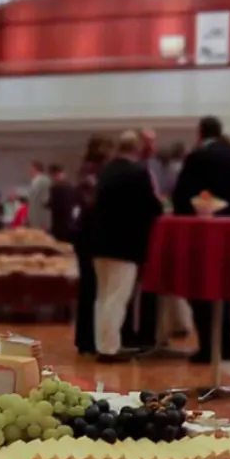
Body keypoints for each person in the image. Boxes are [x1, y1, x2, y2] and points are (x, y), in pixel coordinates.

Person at [171, 116, 230, 363]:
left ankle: (208, 346)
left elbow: (182, 196)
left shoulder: (197, 157)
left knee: (201, 288)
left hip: (203, 233)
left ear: (200, 132)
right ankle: (227, 343)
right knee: (227, 289)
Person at [86, 131, 164, 362]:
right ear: (137, 149)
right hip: (125, 244)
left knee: (102, 297)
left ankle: (103, 344)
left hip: (99, 242)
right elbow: (152, 207)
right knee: (117, 298)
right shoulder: (139, 172)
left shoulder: (106, 171)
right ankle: (110, 349)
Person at [74, 137, 114, 355]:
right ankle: (88, 339)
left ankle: (87, 339)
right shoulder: (93, 172)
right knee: (92, 288)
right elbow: (91, 202)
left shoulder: (89, 171)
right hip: (90, 233)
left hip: (87, 233)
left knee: (90, 288)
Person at [48, 163, 77, 243]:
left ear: (53, 175)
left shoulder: (55, 189)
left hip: (59, 225)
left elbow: (52, 206)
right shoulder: (71, 187)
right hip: (70, 223)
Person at [26, 160, 52, 232]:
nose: (29, 170)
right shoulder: (34, 181)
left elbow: (45, 201)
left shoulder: (44, 181)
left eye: (30, 168)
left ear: (35, 168)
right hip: (34, 219)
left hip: (41, 221)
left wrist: (45, 221)